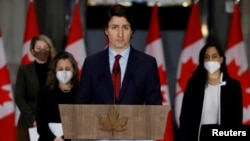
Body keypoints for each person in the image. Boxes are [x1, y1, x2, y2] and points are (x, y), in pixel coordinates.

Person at [76, 4, 162, 104]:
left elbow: (155, 108)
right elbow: (81, 106)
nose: (120, 34)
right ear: (106, 30)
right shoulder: (91, 64)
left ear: (132, 31)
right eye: (114, 27)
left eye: (125, 28)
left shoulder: (147, 64)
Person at [179, 42, 243, 141]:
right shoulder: (193, 84)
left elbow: (236, 121)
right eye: (206, 57)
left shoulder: (233, 86)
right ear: (202, 61)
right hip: (198, 136)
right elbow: (185, 117)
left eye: (214, 56)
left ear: (221, 59)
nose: (210, 60)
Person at [15, 34, 57, 141]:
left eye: (46, 47)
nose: (42, 51)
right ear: (32, 51)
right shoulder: (24, 70)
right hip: (28, 122)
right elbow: (19, 97)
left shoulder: (56, 70)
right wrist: (33, 119)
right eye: (39, 48)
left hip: (52, 123)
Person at [36, 51, 79, 141]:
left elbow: (83, 120)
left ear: (74, 70)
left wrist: (65, 138)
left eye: (67, 69)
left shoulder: (82, 91)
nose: (64, 72)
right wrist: (53, 138)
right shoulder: (45, 91)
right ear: (55, 70)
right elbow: (41, 121)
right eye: (60, 69)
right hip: (48, 138)